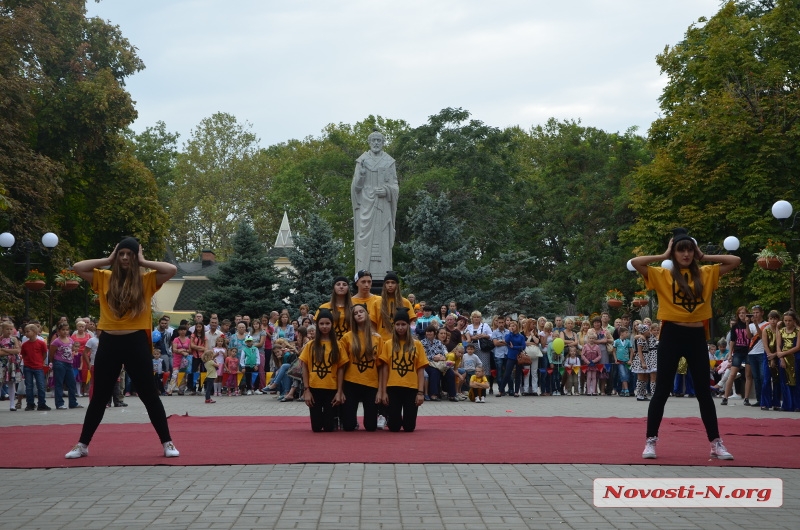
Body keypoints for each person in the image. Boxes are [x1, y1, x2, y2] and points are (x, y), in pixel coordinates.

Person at [631, 228, 739, 460]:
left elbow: (735, 260)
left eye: (689, 249)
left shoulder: (706, 273)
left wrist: (704, 255)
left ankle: (715, 443)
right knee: (661, 391)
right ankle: (651, 441)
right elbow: (636, 262)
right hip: (671, 334)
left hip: (696, 336)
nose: (686, 254)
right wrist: (664, 254)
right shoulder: (663, 274)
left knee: (703, 392)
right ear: (674, 252)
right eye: (681, 250)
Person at [66, 237, 179, 459]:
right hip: (109, 341)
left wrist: (144, 260)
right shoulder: (104, 277)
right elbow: (78, 267)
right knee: (99, 396)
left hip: (136, 341)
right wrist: (108, 258)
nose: (125, 257)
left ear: (136, 256)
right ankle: (82, 445)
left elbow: (172, 269)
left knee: (149, 394)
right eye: (121, 254)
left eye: (130, 254)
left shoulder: (147, 280)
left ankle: (168, 443)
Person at [351, 130, 399, 276]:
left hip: (383, 207)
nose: (376, 143)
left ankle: (382, 274)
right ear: (369, 142)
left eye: (379, 140)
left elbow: (395, 185)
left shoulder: (389, 162)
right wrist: (362, 174)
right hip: (366, 206)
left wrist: (387, 191)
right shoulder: (362, 161)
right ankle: (363, 274)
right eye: (374, 140)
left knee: (383, 237)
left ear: (383, 143)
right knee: (363, 238)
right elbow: (355, 188)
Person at [378, 308, 428, 432]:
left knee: (409, 427)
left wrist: (420, 392)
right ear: (394, 326)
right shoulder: (388, 344)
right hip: (393, 387)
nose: (400, 327)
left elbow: (420, 370)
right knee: (394, 427)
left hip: (411, 388)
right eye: (398, 324)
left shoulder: (417, 345)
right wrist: (384, 392)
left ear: (408, 325)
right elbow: (384, 369)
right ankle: (388, 417)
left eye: (403, 324)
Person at [300, 310, 348, 432]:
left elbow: (341, 369)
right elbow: (304, 367)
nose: (324, 326)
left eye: (327, 323)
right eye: (321, 324)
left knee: (328, 427)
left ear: (332, 325)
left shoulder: (338, 345)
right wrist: (307, 390)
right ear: (317, 325)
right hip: (314, 388)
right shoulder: (310, 345)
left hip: (331, 389)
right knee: (316, 428)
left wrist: (340, 391)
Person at [339, 304, 383, 431]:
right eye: (355, 313)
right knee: (348, 426)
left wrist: (380, 390)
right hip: (351, 383)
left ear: (367, 314)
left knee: (370, 426)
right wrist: (340, 390)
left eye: (361, 311)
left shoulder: (377, 339)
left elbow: (381, 367)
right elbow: (342, 365)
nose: (358, 314)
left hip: (371, 384)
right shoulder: (347, 337)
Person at [721, 307, 751, 406]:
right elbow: (732, 340)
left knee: (748, 375)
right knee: (732, 374)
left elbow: (750, 336)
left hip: (748, 351)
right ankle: (725, 397)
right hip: (738, 351)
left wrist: (747, 323)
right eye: (740, 313)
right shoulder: (735, 326)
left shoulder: (751, 325)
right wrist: (730, 353)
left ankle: (746, 398)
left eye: (744, 313)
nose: (742, 315)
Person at [372, 271, 413, 343]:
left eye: (393, 282)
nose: (390, 285)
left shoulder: (405, 302)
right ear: (384, 285)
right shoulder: (377, 303)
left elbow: (411, 323)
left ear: (397, 285)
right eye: (387, 283)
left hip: (400, 341)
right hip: (382, 342)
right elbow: (372, 325)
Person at [50, 322, 81, 410]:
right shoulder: (56, 341)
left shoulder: (70, 340)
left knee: (72, 383)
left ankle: (73, 402)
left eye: (67, 330)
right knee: (59, 383)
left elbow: (71, 350)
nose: (65, 332)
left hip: (69, 363)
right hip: (59, 363)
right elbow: (52, 353)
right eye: (63, 330)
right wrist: (54, 362)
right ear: (58, 331)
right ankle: (59, 403)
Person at [19, 324, 50, 411]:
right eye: (25, 332)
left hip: (38, 367)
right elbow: (23, 354)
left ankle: (41, 404)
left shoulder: (41, 343)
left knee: (41, 386)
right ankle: (30, 404)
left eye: (28, 331)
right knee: (29, 386)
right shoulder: (25, 344)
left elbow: (44, 354)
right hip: (28, 367)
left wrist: (40, 361)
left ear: (34, 332)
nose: (26, 333)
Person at [776, 309, 800, 411]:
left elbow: (798, 347)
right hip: (783, 359)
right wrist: (781, 358)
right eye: (785, 321)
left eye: (789, 320)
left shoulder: (798, 331)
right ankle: (786, 404)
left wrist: (783, 353)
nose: (787, 323)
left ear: (794, 320)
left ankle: (797, 405)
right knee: (784, 382)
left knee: (796, 381)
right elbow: (778, 345)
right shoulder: (781, 331)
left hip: (795, 358)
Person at [500, 320, 526, 397]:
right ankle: (501, 391)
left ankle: (516, 391)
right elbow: (506, 340)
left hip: (519, 357)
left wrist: (514, 347)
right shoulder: (509, 335)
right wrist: (511, 333)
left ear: (517, 327)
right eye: (511, 326)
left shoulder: (521, 336)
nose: (512, 327)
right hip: (511, 356)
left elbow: (523, 347)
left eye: (514, 326)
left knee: (518, 375)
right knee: (507, 374)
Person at [613, 327, 633, 397]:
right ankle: (626, 390)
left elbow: (631, 351)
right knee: (623, 374)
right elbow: (614, 351)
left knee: (626, 375)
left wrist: (630, 360)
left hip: (627, 361)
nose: (627, 334)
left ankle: (623, 389)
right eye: (626, 332)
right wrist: (615, 359)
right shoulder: (616, 342)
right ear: (621, 333)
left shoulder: (628, 341)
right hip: (620, 361)